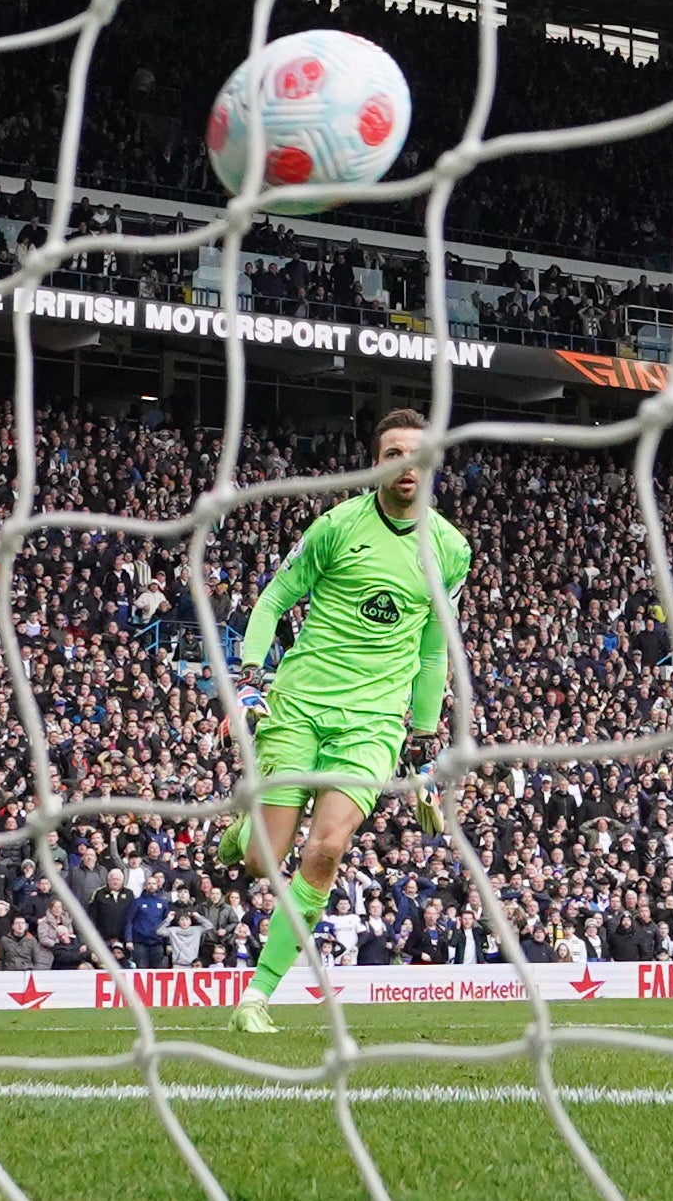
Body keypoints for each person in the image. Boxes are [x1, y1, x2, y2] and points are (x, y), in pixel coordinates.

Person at [220, 408, 474, 1036]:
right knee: (259, 862)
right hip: (301, 707)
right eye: (392, 453)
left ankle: (258, 995)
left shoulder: (450, 549)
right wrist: (251, 671)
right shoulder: (336, 527)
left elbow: (432, 649)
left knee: (328, 847)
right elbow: (275, 598)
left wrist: (421, 735)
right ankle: (236, 835)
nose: (405, 464)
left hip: (372, 723)